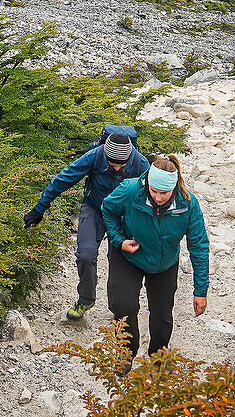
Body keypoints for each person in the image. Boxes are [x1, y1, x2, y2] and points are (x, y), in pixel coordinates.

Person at [23, 130, 149, 320]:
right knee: (85, 254)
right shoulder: (94, 156)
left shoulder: (141, 164)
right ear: (105, 154)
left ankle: (119, 308)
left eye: (120, 165)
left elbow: (152, 197)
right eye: (111, 163)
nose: (115, 169)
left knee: (119, 262)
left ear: (129, 157)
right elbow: (63, 179)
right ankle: (86, 299)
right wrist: (39, 208)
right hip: (94, 208)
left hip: (124, 215)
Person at [101, 155, 209, 368]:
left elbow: (199, 245)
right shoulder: (131, 190)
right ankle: (125, 352)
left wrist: (200, 290)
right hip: (128, 254)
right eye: (154, 191)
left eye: (164, 193)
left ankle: (158, 357)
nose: (159, 197)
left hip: (164, 261)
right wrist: (119, 240)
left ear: (175, 187)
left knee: (161, 313)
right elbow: (107, 209)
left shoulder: (187, 204)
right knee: (122, 305)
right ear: (148, 183)